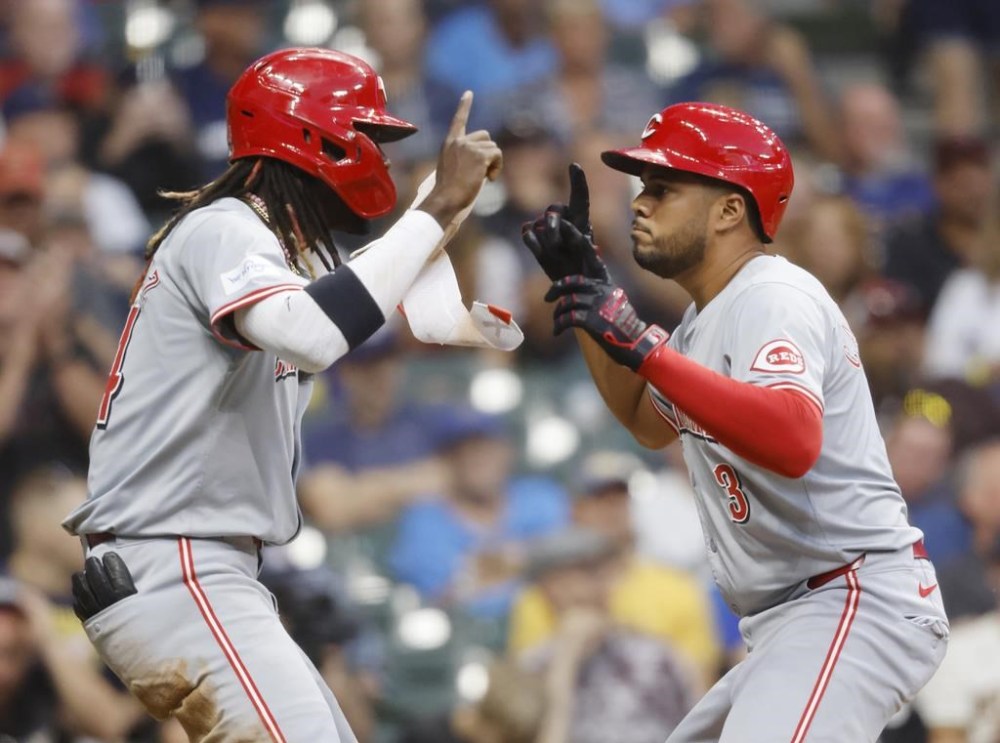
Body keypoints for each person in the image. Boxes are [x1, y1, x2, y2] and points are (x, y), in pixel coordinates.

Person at [61, 47, 502, 741]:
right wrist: (435, 203)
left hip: (204, 562)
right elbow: (314, 333)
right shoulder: (223, 225)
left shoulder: (271, 248)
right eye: (369, 135)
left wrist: (438, 217)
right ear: (311, 135)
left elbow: (377, 302)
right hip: (177, 557)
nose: (380, 156)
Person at [520, 101, 948, 741]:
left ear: (729, 210)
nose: (640, 202)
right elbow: (647, 422)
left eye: (664, 188)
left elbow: (793, 438)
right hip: (794, 616)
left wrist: (643, 346)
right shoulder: (704, 320)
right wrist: (587, 295)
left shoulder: (772, 294)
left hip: (852, 599)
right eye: (643, 188)